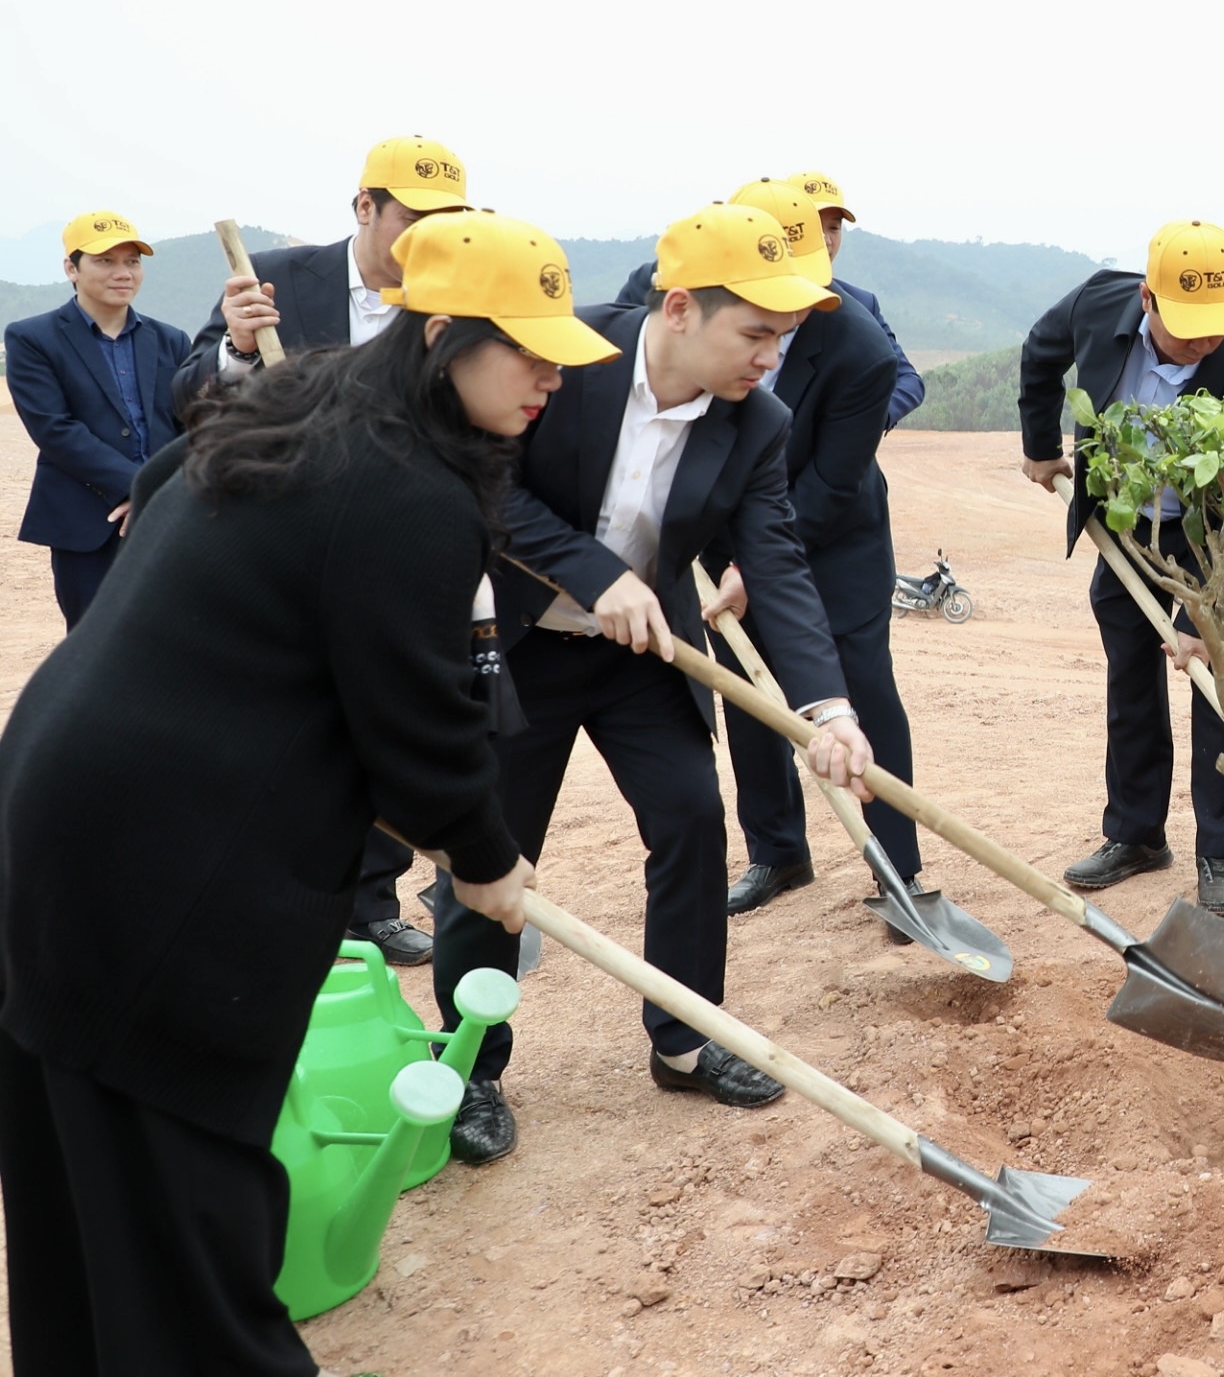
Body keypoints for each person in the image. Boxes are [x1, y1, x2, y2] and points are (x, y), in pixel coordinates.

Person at [0, 210, 590, 1375]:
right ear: (437, 333)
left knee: (80, 1182)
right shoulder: (404, 486)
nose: (545, 377)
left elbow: (169, 470)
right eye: (520, 348)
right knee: (191, 1219)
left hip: (55, 803)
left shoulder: (307, 399)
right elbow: (418, 719)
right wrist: (485, 856)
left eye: (555, 352)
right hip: (155, 863)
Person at [430, 201, 874, 1165]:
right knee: (489, 856)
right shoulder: (561, 361)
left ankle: (682, 1036)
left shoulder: (757, 423)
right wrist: (597, 573)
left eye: (785, 337)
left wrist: (829, 710)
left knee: (691, 820)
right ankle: (472, 1064)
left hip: (643, 657)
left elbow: (780, 565)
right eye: (756, 333)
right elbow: (490, 485)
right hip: (519, 645)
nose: (771, 357)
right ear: (680, 311)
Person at [170, 134, 476, 968]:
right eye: (414, 217)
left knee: (378, 721)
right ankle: (276, 907)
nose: (428, 237)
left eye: (447, 220)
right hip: (281, 548)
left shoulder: (452, 291)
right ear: (366, 207)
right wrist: (235, 349)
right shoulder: (273, 279)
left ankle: (373, 904)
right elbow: (187, 398)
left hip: (392, 550)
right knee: (285, 730)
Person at [1016, 220, 1224, 916]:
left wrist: (1210, 617)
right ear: (1148, 300)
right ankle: (1137, 834)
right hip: (1127, 526)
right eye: (1190, 325)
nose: (1206, 342)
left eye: (1218, 326)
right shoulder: (1095, 306)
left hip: (1209, 540)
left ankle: (1218, 849)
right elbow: (1040, 354)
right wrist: (1041, 444)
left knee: (1216, 689)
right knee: (1131, 683)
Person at [683, 179, 919, 921]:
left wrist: (756, 566)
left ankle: (898, 869)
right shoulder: (685, 312)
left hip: (835, 539)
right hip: (724, 535)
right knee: (751, 698)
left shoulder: (859, 346)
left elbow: (834, 481)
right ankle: (777, 853)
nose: (784, 321)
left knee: (861, 697)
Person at [616, 168, 924, 429]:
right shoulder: (669, 282)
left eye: (833, 228)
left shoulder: (856, 313)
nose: (827, 240)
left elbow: (905, 379)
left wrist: (861, 418)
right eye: (811, 228)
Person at [6, 212, 188, 626]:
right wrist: (137, 488)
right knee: (93, 644)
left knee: (173, 640)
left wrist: (163, 493)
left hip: (167, 515)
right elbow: (55, 429)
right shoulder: (33, 338)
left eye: (132, 261)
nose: (123, 273)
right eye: (105, 261)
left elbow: (189, 423)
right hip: (87, 521)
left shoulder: (171, 340)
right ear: (71, 268)